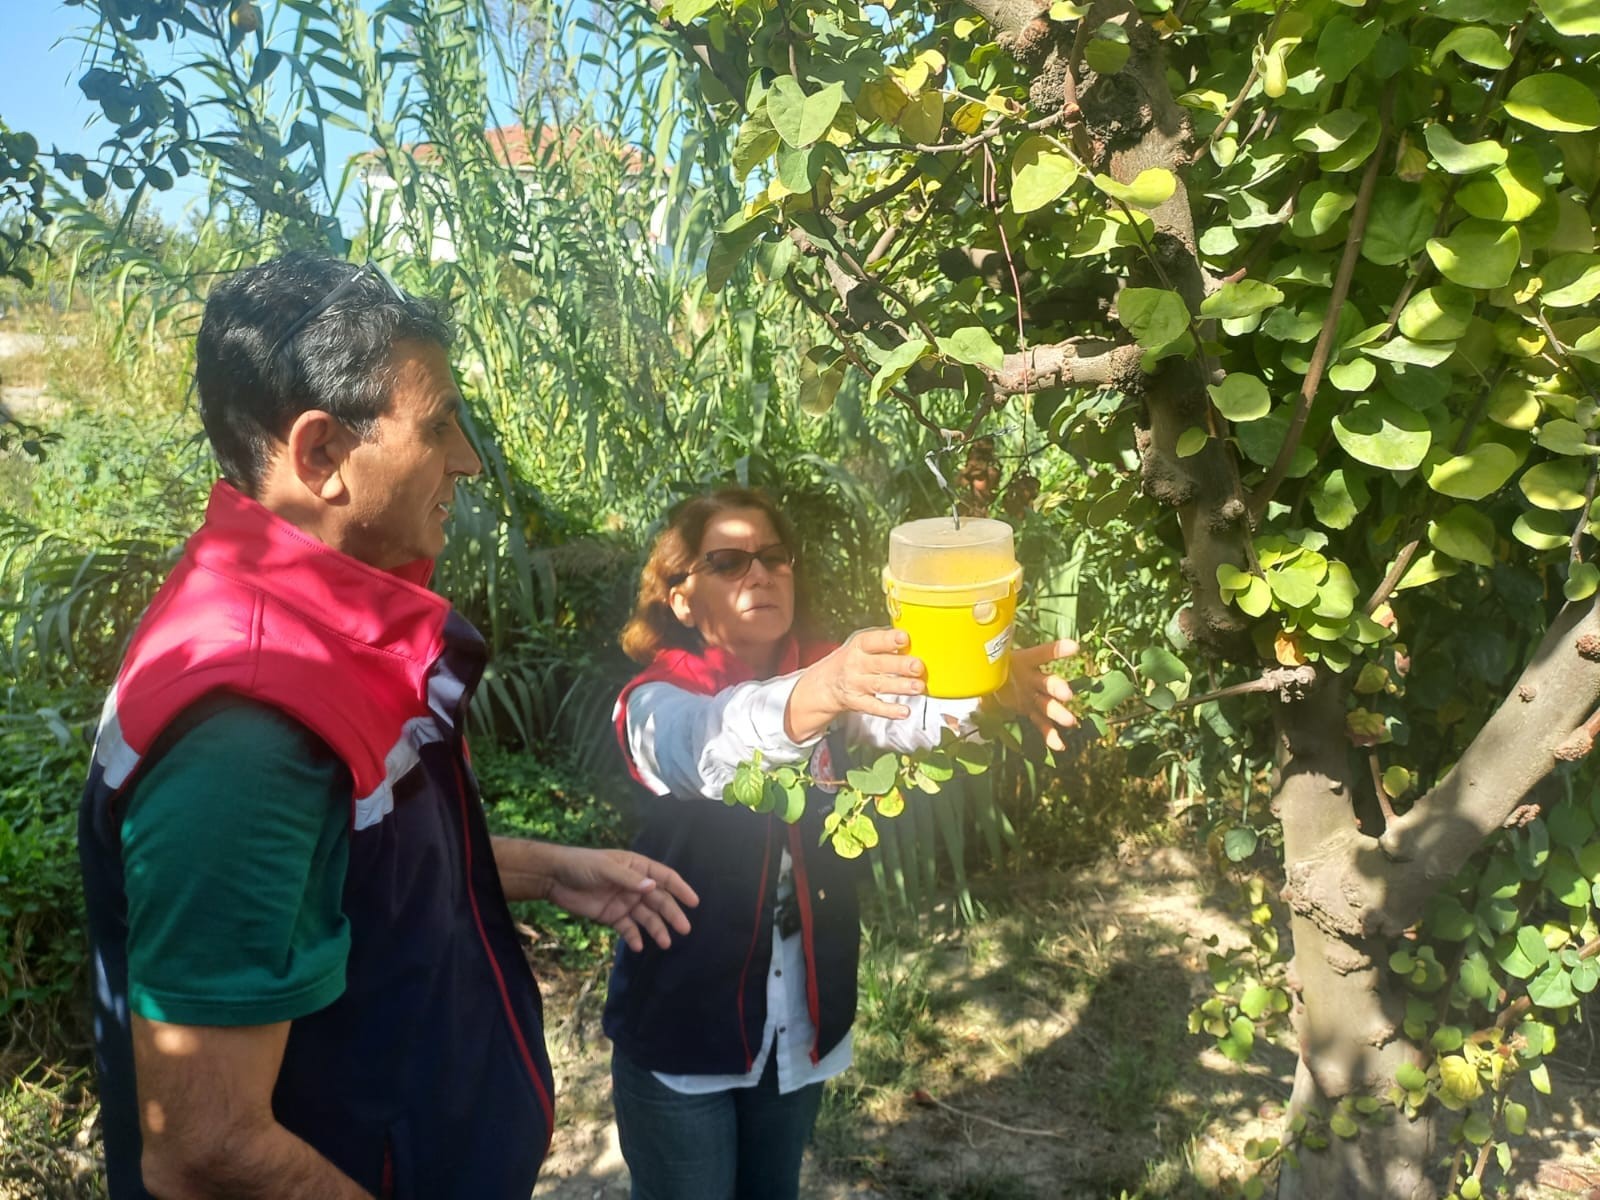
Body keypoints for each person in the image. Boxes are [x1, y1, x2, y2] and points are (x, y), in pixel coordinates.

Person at [77, 253, 698, 1200]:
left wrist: (547, 868)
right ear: (322, 453)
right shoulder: (247, 724)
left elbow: (345, 870)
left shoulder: (317, 627)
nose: (468, 460)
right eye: (440, 425)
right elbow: (204, 1146)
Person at [604, 488, 1077, 1200]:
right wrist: (818, 694)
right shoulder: (653, 700)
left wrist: (989, 690)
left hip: (797, 1021)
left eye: (773, 557)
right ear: (681, 598)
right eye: (728, 561)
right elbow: (700, 748)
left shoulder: (832, 675)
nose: (759, 574)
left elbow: (912, 719)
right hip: (681, 1033)